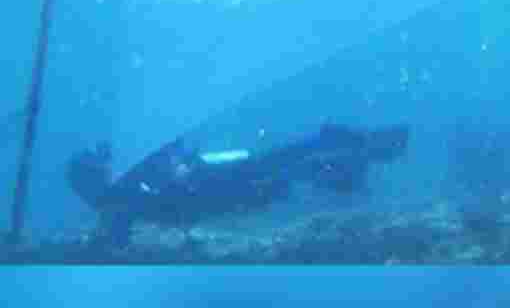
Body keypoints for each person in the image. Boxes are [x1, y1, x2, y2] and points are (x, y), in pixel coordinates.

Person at [67, 122, 409, 244]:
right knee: (279, 165)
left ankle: (350, 152)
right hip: (211, 186)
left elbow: (119, 234)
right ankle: (348, 150)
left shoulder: (119, 194)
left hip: (212, 189)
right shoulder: (123, 187)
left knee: (279, 168)